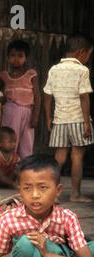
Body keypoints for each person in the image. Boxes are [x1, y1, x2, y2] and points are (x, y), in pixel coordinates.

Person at [0, 154, 94, 257]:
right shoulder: (8, 220)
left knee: (91, 248)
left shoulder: (67, 218)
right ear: (20, 190)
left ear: (58, 190)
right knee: (26, 244)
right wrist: (20, 248)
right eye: (27, 188)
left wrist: (47, 254)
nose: (35, 195)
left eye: (43, 187)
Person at [44, 34, 94, 203]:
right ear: (81, 52)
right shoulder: (82, 70)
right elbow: (84, 97)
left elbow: (47, 96)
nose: (88, 59)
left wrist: (48, 117)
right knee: (77, 156)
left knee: (59, 156)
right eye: (89, 55)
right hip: (78, 119)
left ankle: (53, 195)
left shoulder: (54, 69)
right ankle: (75, 194)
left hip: (59, 119)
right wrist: (87, 122)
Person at [0, 39, 41, 159]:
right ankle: (7, 167)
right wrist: (1, 100)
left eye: (20, 56)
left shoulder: (31, 74)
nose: (16, 59)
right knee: (9, 141)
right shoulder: (4, 76)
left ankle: (24, 169)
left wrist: (35, 116)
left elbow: (37, 96)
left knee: (27, 142)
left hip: (27, 112)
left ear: (25, 58)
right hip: (11, 111)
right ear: (7, 58)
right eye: (12, 55)